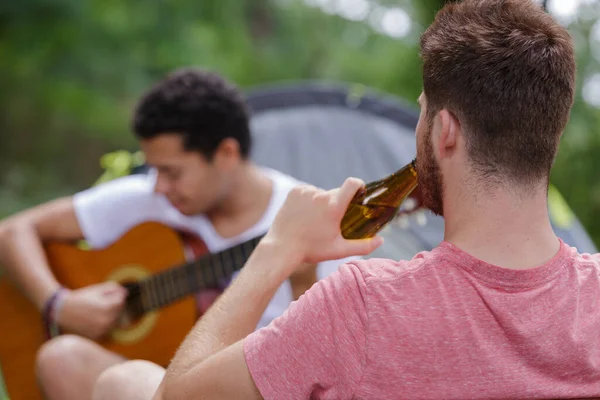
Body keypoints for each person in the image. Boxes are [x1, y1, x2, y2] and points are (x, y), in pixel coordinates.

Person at [90, 0, 600, 399]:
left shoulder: (363, 305)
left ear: (445, 131)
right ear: (547, 135)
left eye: (423, 113)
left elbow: (175, 396)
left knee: (123, 382)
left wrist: (277, 248)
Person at [0, 68, 354, 400]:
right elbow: (13, 231)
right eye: (154, 170)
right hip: (147, 382)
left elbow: (324, 365)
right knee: (62, 358)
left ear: (226, 153)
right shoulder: (150, 198)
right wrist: (58, 304)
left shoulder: (313, 219)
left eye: (172, 172)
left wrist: (301, 279)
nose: (159, 188)